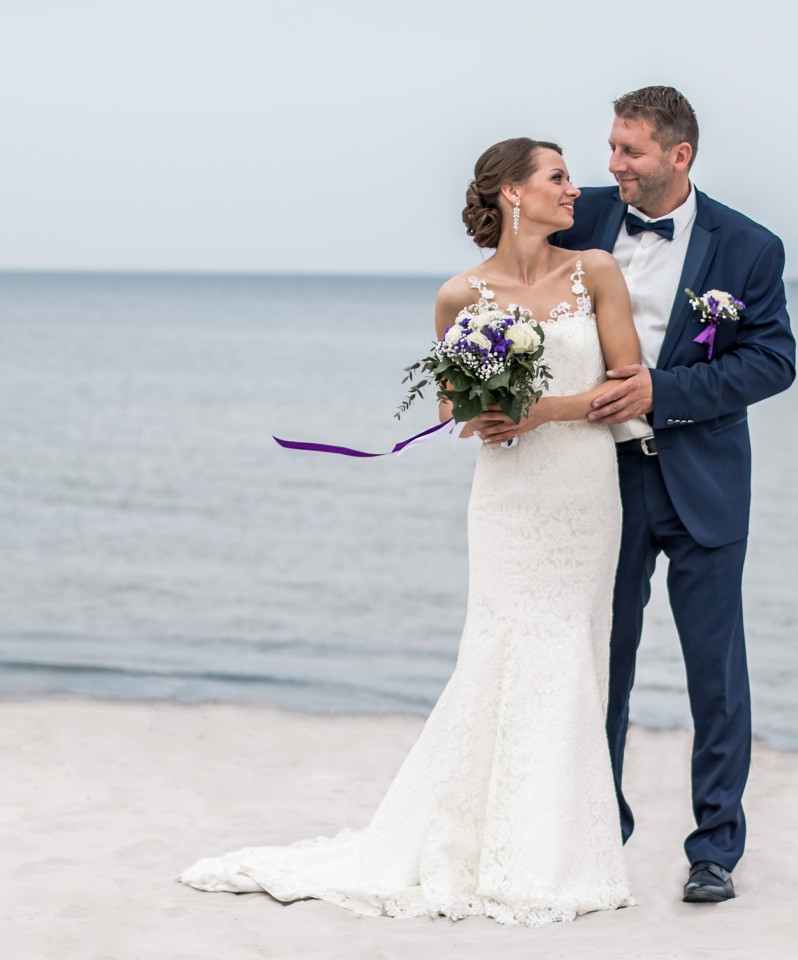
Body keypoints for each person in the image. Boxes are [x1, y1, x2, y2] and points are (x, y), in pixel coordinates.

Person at [178, 138, 643, 926]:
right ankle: (480, 841)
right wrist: (484, 407)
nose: (575, 189)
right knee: (498, 646)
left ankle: (552, 846)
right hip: (507, 498)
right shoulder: (459, 295)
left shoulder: (595, 270)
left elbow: (627, 386)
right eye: (558, 177)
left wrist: (543, 410)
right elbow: (450, 408)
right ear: (512, 193)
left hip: (583, 489)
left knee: (571, 645)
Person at [487, 86, 797, 903]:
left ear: (678, 156)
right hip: (599, 480)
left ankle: (714, 849)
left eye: (630, 151)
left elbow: (773, 362)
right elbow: (509, 282)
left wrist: (667, 390)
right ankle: (599, 827)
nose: (612, 165)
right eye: (611, 147)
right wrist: (492, 380)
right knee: (600, 662)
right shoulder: (580, 213)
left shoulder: (750, 248)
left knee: (715, 676)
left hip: (705, 485)